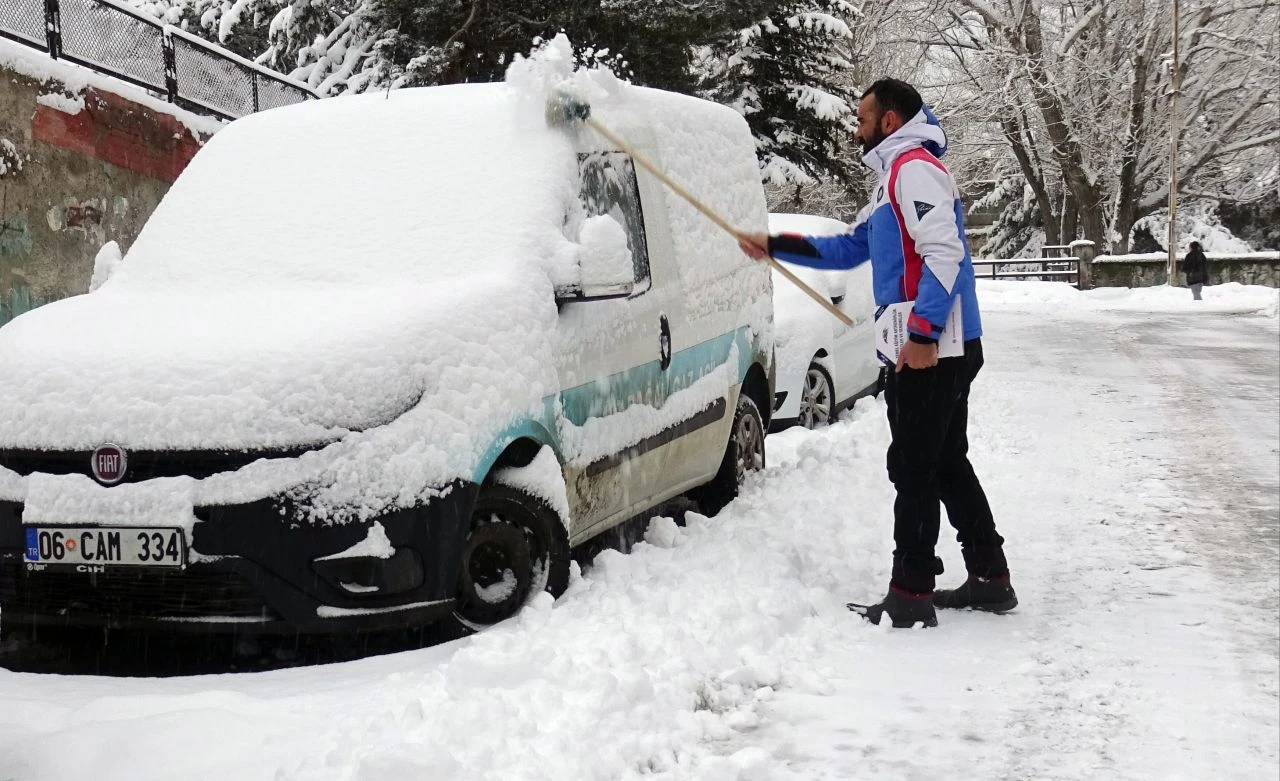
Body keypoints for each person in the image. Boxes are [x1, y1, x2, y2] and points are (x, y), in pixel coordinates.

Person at [739, 79, 1016, 628]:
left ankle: (911, 592)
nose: (855, 129)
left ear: (889, 121)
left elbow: (944, 252)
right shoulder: (894, 176)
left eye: (862, 119)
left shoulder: (914, 168)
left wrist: (922, 336)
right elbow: (849, 245)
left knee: (914, 467)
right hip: (941, 346)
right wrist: (776, 246)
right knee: (945, 461)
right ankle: (989, 577)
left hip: (935, 349)